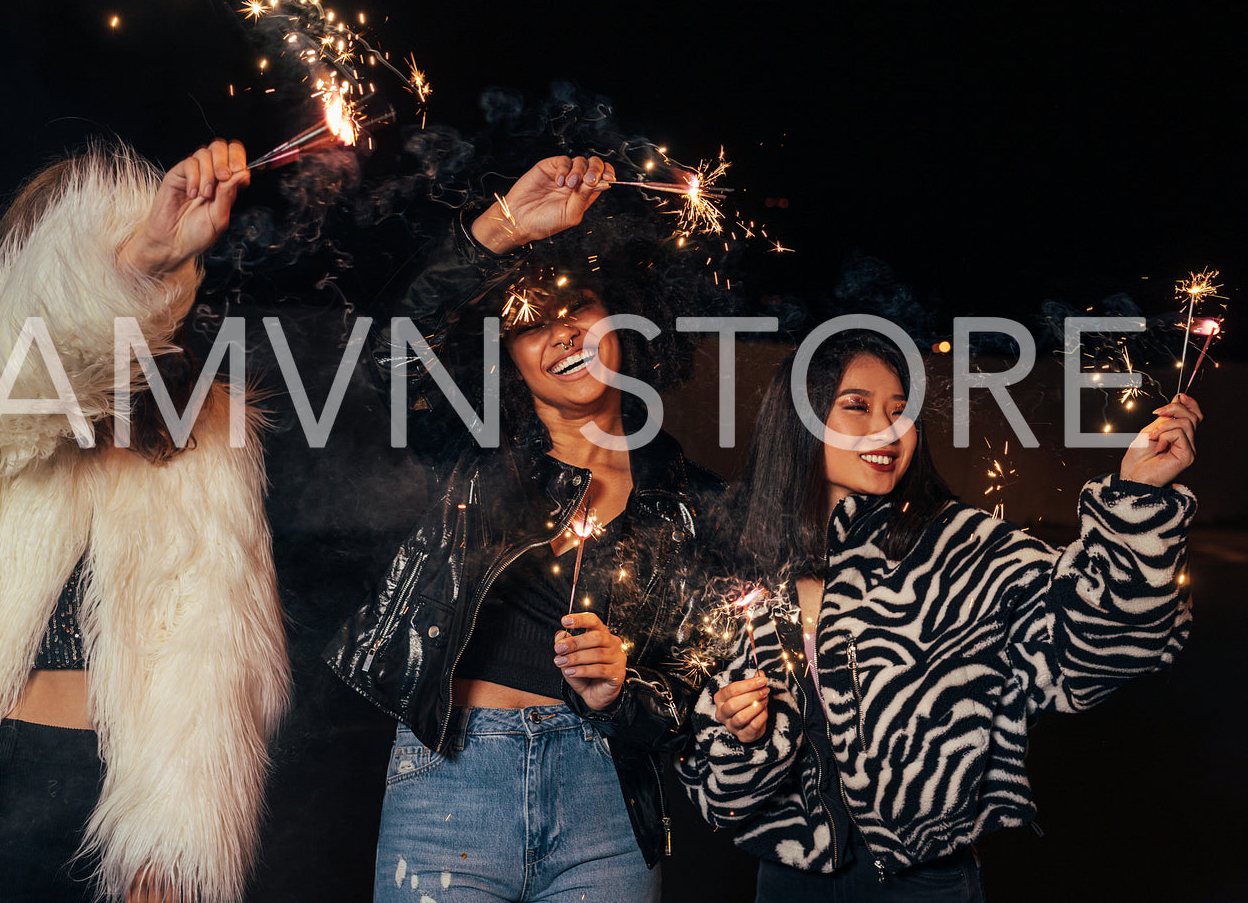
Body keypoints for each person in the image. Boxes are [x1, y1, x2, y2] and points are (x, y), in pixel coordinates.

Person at [0, 139, 291, 902]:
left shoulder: (208, 427)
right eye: (87, 255)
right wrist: (140, 258)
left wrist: (175, 839)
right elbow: (20, 362)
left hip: (134, 790)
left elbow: (219, 645)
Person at [677, 329, 1200, 901]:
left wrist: (1138, 498)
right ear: (798, 421)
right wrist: (741, 738)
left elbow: (1098, 647)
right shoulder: (740, 568)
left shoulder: (964, 549)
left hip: (926, 882)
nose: (888, 428)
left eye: (901, 411)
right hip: (787, 881)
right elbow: (713, 792)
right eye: (857, 406)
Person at [326, 155, 724, 901]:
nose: (561, 335)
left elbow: (687, 695)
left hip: (604, 802)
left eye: (578, 311)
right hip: (451, 782)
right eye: (531, 324)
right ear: (507, 359)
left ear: (623, 319)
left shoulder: (687, 497)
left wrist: (619, 690)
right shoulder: (469, 453)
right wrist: (501, 226)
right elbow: (389, 355)